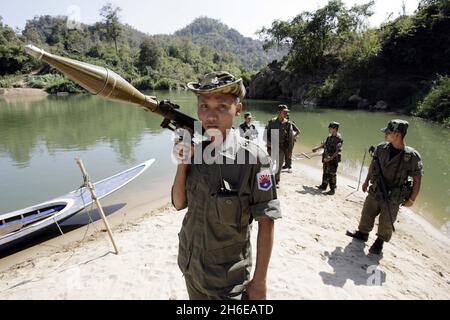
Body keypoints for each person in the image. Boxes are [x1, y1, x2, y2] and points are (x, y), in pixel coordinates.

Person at [171, 71, 282, 300]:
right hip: (191, 268)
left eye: (222, 106)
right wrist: (182, 164)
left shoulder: (253, 158)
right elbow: (178, 203)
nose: (211, 116)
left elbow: (266, 221)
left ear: (237, 110)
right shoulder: (196, 151)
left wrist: (259, 282)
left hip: (227, 283)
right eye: (204, 107)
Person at [346, 120, 423, 255]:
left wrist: (412, 199)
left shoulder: (411, 156)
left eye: (388, 132)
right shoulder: (381, 148)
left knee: (387, 221)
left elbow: (417, 179)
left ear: (397, 134)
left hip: (393, 196)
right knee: (367, 212)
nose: (385, 134)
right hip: (376, 189)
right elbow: (373, 165)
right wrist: (366, 181)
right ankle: (362, 233)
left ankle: (379, 242)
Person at [265, 105, 299, 185]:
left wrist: (289, 151)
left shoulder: (288, 124)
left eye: (287, 112)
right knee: (270, 164)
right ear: (278, 112)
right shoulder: (272, 122)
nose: (286, 113)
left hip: (282, 149)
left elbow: (290, 138)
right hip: (272, 148)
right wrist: (269, 143)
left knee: (279, 166)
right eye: (284, 112)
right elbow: (266, 135)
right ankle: (269, 179)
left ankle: (276, 181)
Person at [312, 122, 343, 195]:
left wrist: (330, 158)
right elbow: (324, 144)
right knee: (325, 171)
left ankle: (332, 190)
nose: (329, 129)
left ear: (335, 129)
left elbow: (337, 151)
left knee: (332, 174)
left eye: (330, 128)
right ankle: (323, 186)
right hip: (326, 157)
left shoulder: (338, 139)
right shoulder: (330, 136)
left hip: (333, 159)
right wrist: (317, 148)